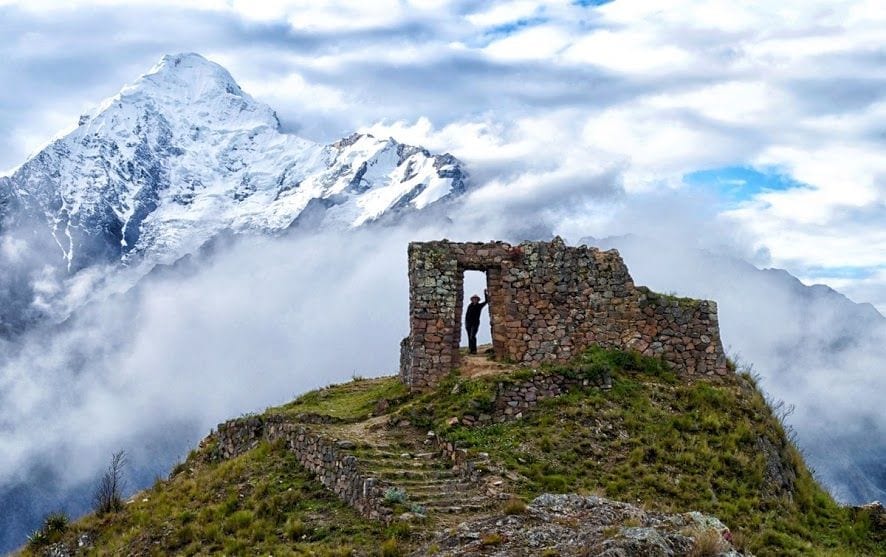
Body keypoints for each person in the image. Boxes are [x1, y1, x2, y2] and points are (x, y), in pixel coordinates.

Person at [465, 289, 489, 354]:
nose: (475, 300)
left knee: (472, 336)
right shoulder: (469, 306)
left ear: (478, 300)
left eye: (476, 299)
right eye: (474, 299)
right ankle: (470, 350)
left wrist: (485, 293)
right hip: (468, 324)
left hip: (475, 324)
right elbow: (467, 315)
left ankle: (474, 350)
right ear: (472, 300)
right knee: (469, 337)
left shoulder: (479, 306)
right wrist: (466, 324)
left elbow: (487, 301)